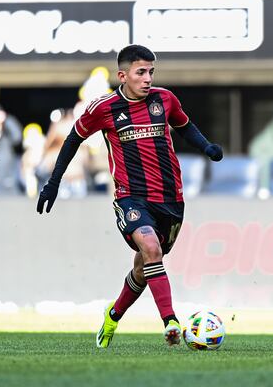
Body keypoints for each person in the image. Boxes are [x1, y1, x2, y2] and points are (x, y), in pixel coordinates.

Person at [36, 45, 223, 347]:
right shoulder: (104, 108)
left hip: (171, 199)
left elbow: (184, 126)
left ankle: (113, 315)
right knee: (150, 247)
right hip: (131, 197)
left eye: (151, 72)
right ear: (123, 75)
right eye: (141, 72)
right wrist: (53, 182)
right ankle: (170, 323)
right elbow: (72, 139)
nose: (148, 78)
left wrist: (207, 147)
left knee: (145, 265)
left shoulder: (165, 99)